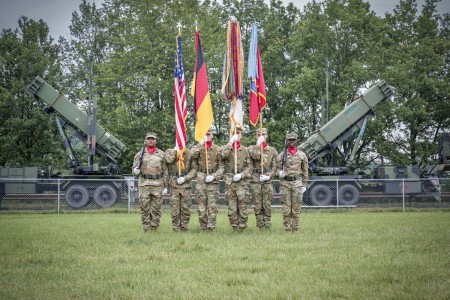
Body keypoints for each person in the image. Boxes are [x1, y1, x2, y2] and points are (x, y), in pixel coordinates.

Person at [190, 126, 224, 231]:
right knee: (201, 206)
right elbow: (191, 154)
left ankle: (211, 227)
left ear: (212, 135)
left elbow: (222, 167)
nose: (207, 136)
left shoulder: (218, 149)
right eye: (205, 134)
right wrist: (201, 143)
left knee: (212, 206)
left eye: (208, 134)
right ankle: (203, 228)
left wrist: (214, 177)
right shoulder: (199, 148)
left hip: (212, 181)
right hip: (201, 179)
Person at [132, 132, 168, 232]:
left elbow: (165, 170)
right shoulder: (140, 154)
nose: (151, 140)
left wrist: (166, 186)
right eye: (149, 139)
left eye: (152, 139)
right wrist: (135, 171)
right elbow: (134, 170)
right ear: (145, 141)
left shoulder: (161, 154)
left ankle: (154, 227)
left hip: (158, 184)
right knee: (144, 208)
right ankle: (146, 228)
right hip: (144, 184)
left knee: (156, 208)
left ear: (156, 141)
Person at [221, 125, 253, 231]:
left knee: (242, 205)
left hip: (242, 182)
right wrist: (230, 143)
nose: (237, 135)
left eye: (238, 133)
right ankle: (234, 227)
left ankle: (242, 227)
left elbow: (250, 167)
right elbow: (223, 155)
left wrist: (241, 175)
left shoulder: (245, 150)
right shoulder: (227, 148)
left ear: (241, 135)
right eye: (234, 133)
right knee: (231, 206)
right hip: (230, 182)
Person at [248, 128, 278, 230]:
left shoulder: (272, 150)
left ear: (267, 136)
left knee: (267, 204)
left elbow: (275, 166)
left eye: (263, 134)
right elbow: (255, 156)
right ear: (256, 136)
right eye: (259, 134)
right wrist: (258, 144)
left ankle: (267, 225)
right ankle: (260, 226)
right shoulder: (252, 148)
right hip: (256, 180)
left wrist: (269, 175)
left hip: (267, 180)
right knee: (257, 204)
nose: (261, 136)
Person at [278, 132, 308, 232]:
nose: (291, 141)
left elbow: (305, 171)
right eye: (289, 140)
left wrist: (304, 184)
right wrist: (279, 173)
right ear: (286, 141)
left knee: (296, 207)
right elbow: (275, 168)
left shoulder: (302, 155)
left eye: (293, 140)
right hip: (285, 183)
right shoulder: (282, 155)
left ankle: (295, 228)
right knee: (286, 208)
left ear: (296, 141)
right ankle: (287, 228)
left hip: (297, 183)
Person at [165, 147, 197, 231]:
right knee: (174, 209)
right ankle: (175, 228)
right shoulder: (171, 152)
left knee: (185, 209)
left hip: (186, 186)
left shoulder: (189, 153)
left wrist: (185, 178)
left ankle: (184, 228)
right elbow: (168, 161)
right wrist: (175, 152)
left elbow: (194, 169)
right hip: (174, 185)